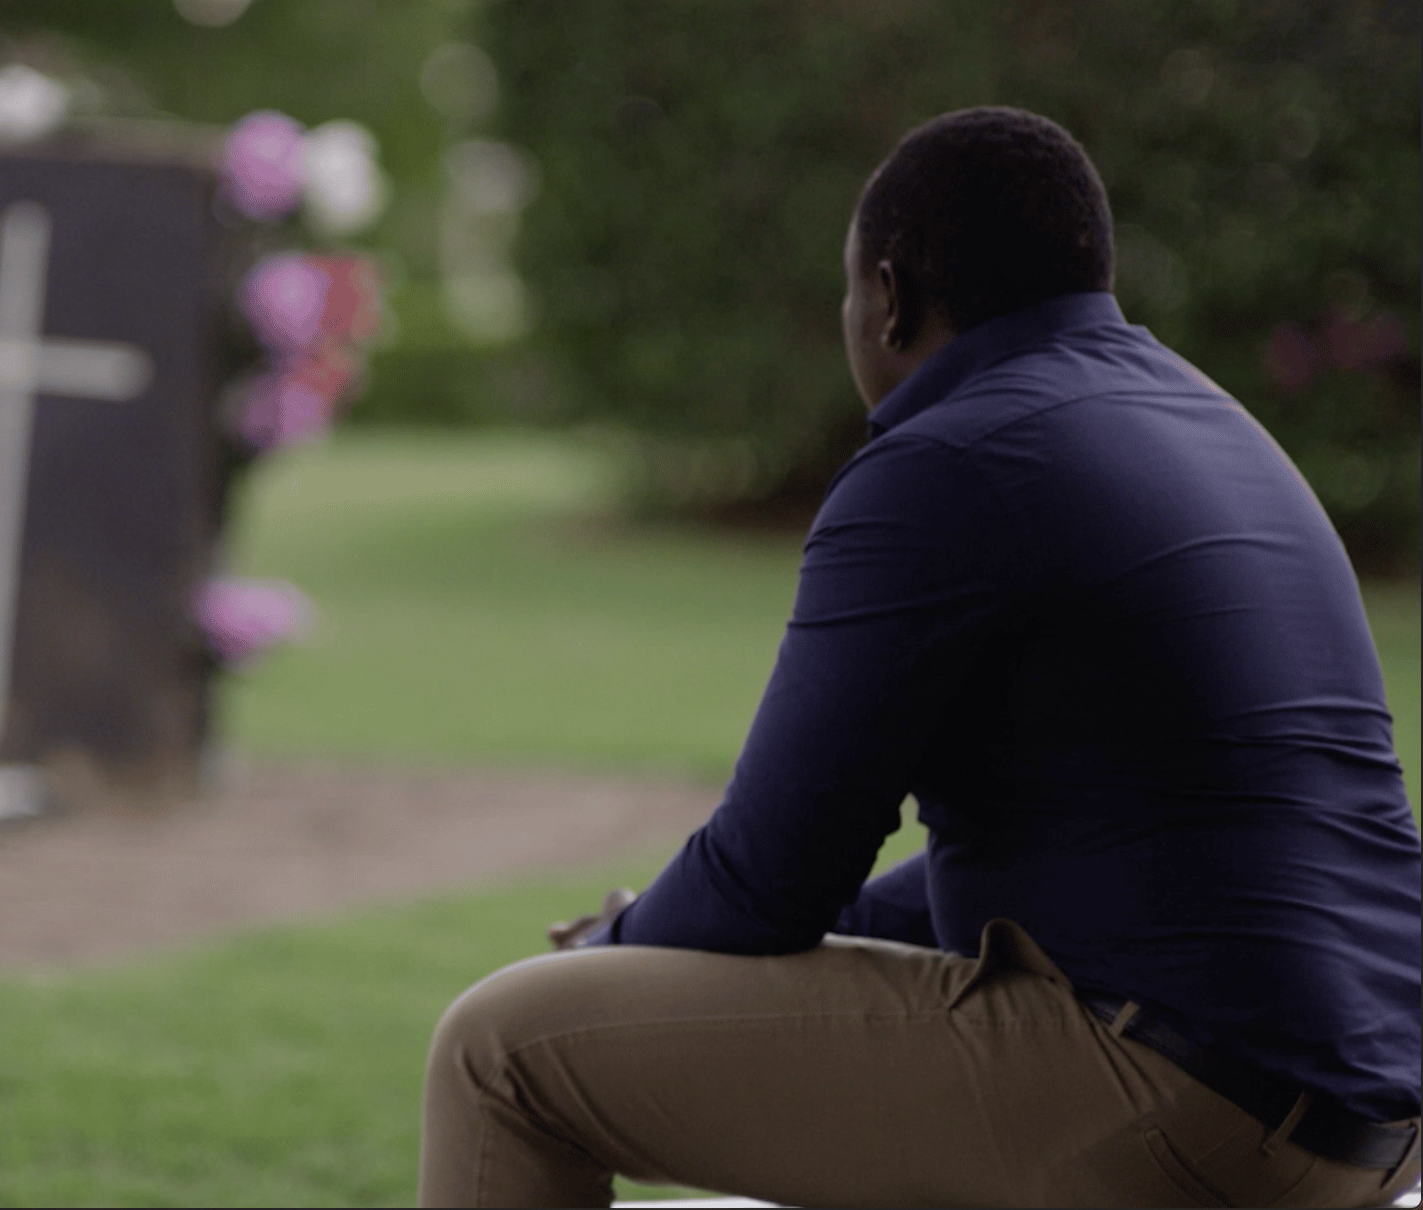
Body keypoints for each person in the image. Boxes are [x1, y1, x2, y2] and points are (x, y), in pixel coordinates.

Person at [417, 107, 1422, 1209]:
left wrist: (610, 946)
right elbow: (1037, 859)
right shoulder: (1207, 423)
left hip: (1190, 1110)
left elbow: (770, 878)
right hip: (1367, 1116)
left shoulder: (948, 458)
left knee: (499, 1047)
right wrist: (651, 950)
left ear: (886, 297)